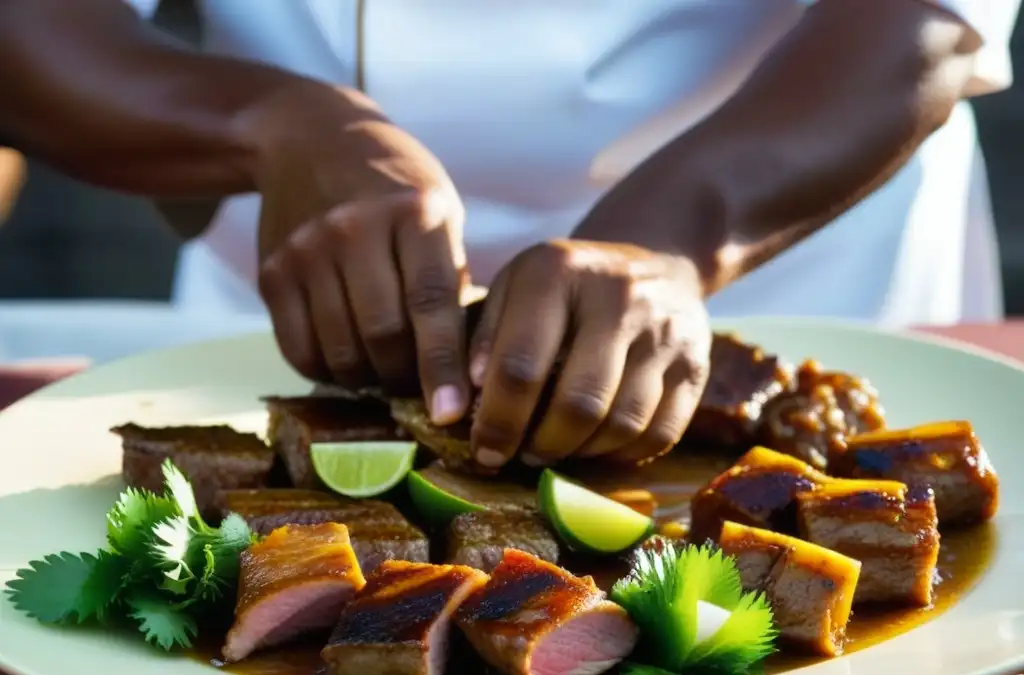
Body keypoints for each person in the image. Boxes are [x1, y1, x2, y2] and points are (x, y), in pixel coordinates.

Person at [0, 0, 1018, 471]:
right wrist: (269, 126)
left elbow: (925, 19)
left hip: (787, 256)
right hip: (304, 300)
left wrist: (668, 243)